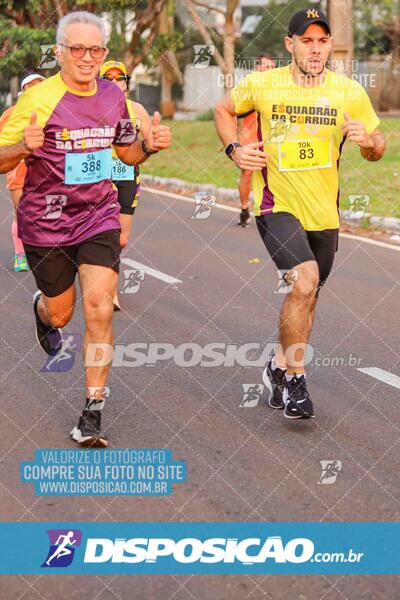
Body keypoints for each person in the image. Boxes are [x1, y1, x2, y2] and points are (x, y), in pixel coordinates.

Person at [0, 11, 171, 446]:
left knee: (99, 307)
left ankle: (93, 410)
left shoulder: (113, 95)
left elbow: (127, 154)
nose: (87, 57)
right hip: (46, 221)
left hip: (97, 215)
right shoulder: (37, 100)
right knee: (63, 313)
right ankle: (43, 309)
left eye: (95, 49)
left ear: (104, 53)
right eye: (77, 48)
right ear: (59, 52)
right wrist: (24, 146)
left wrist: (148, 144)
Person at [215, 8, 385, 419]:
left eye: (322, 40)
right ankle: (295, 378)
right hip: (278, 206)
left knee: (307, 296)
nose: (314, 48)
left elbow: (377, 146)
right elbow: (224, 110)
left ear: (329, 45)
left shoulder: (348, 91)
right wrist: (235, 149)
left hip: (325, 213)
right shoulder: (263, 84)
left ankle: (276, 364)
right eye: (305, 40)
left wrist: (367, 142)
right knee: (304, 281)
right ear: (290, 44)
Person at [99, 60, 153, 311]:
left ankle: (97, 273)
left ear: (126, 83)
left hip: (128, 175)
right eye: (107, 78)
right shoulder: (93, 108)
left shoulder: (137, 110)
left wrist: (155, 137)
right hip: (100, 178)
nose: (114, 82)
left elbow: (150, 143)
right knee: (106, 234)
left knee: (121, 239)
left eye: (118, 78)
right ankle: (110, 292)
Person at [0, 73, 45, 271]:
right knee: (22, 214)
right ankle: (20, 254)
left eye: (39, 86)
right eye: (31, 86)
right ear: (23, 91)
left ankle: (43, 251)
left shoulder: (52, 112)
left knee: (48, 213)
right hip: (18, 171)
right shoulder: (11, 114)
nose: (35, 89)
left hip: (46, 172)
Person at [237, 54, 276, 227]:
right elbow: (235, 111)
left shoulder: (279, 89)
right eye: (264, 67)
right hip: (250, 137)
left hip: (272, 138)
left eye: (271, 67)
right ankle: (245, 208)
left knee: (274, 175)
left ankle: (270, 212)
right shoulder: (249, 87)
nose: (267, 70)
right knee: (247, 174)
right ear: (258, 68)